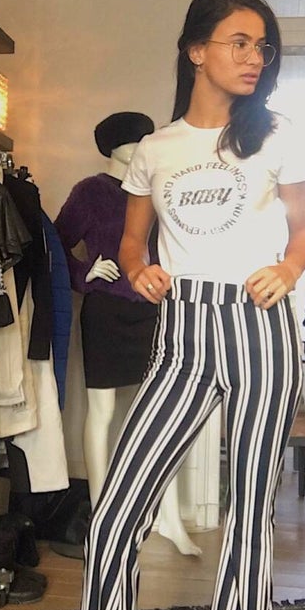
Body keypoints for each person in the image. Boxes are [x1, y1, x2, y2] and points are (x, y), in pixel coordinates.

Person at [60, 0, 305, 610]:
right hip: (184, 333)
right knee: (113, 519)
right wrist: (138, 271)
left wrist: (287, 268)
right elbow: (133, 244)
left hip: (257, 327)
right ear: (196, 50)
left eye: (263, 45)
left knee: (247, 518)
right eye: (239, 41)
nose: (254, 56)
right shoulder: (156, 150)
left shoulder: (276, 134)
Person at [55, 113, 201, 556]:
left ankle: (167, 517)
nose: (142, 145)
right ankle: (103, 515)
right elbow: (55, 243)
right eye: (134, 139)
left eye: (145, 138)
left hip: (153, 310)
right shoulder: (91, 191)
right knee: (100, 411)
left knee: (159, 414)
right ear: (113, 146)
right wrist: (84, 271)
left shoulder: (156, 188)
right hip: (105, 312)